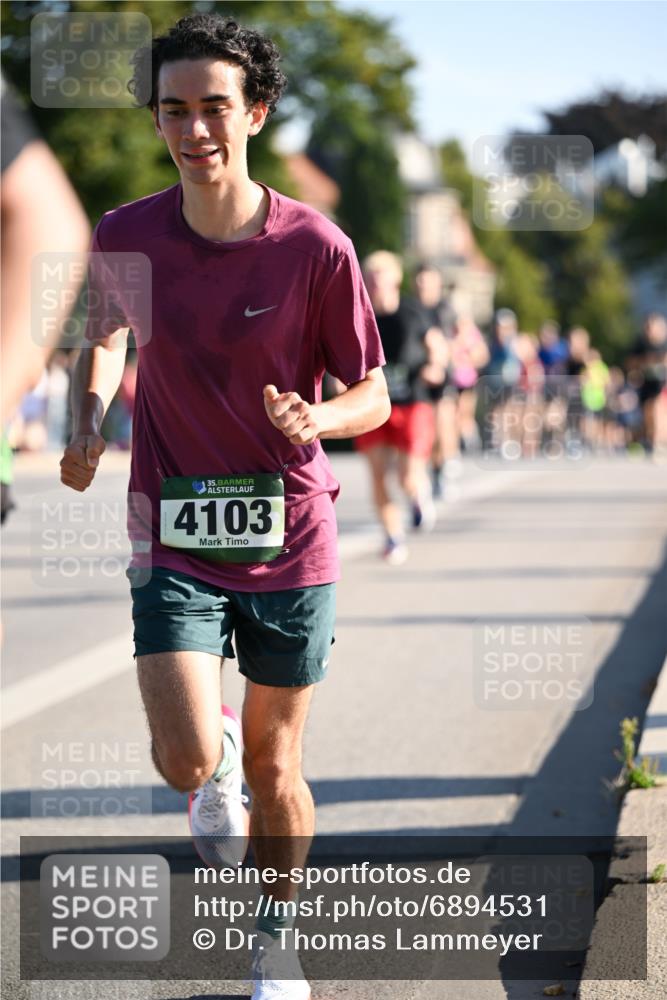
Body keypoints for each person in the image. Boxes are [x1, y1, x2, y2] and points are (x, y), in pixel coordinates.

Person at [59, 14, 389, 1000]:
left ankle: (275, 940)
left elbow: (374, 390)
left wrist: (317, 416)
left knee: (278, 759)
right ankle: (210, 786)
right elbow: (104, 340)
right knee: (187, 756)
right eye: (173, 110)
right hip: (172, 529)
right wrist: (87, 415)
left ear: (255, 111)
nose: (193, 128)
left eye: (213, 107)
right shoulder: (125, 234)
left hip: (290, 536)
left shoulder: (315, 247)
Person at [355, 251, 447, 564]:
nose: (375, 281)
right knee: (379, 475)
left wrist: (435, 366)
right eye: (369, 275)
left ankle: (417, 495)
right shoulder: (357, 313)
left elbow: (436, 346)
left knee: (407, 476)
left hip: (412, 402)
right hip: (373, 403)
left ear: (395, 278)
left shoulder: (413, 311)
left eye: (381, 274)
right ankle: (393, 537)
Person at [626, 313, 667, 454]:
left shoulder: (664, 344)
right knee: (648, 413)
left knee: (658, 410)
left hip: (662, 383)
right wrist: (645, 362)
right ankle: (651, 441)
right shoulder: (641, 343)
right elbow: (631, 363)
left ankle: (658, 443)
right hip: (646, 383)